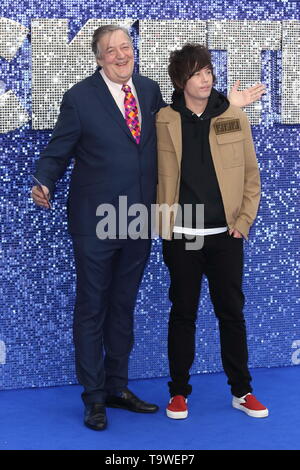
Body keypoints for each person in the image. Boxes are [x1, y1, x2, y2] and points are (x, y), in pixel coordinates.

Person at [31, 25, 266, 431]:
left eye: (126, 47)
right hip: (96, 221)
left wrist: (234, 104)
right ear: (98, 57)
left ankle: (118, 388)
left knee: (122, 306)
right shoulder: (79, 98)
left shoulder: (151, 90)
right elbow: (59, 148)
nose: (121, 55)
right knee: (92, 308)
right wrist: (44, 180)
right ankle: (94, 397)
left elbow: (195, 121)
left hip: (140, 218)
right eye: (111, 50)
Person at [156, 43, 269, 419]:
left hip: (226, 236)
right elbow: (152, 175)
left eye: (208, 72)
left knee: (232, 314)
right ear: (181, 80)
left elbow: (251, 176)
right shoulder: (165, 119)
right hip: (182, 235)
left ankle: (242, 391)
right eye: (196, 74)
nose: (204, 80)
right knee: (183, 314)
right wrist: (162, 227)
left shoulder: (233, 115)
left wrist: (243, 224)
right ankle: (178, 393)